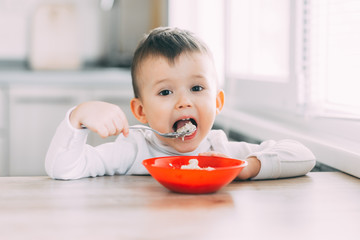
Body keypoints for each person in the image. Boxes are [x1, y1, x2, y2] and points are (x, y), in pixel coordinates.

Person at [45, 27, 316, 180]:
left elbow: (303, 156)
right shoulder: (133, 151)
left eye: (197, 88)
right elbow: (62, 168)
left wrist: (248, 167)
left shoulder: (221, 151)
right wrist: (77, 117)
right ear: (141, 111)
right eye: (165, 92)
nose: (184, 102)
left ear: (218, 101)